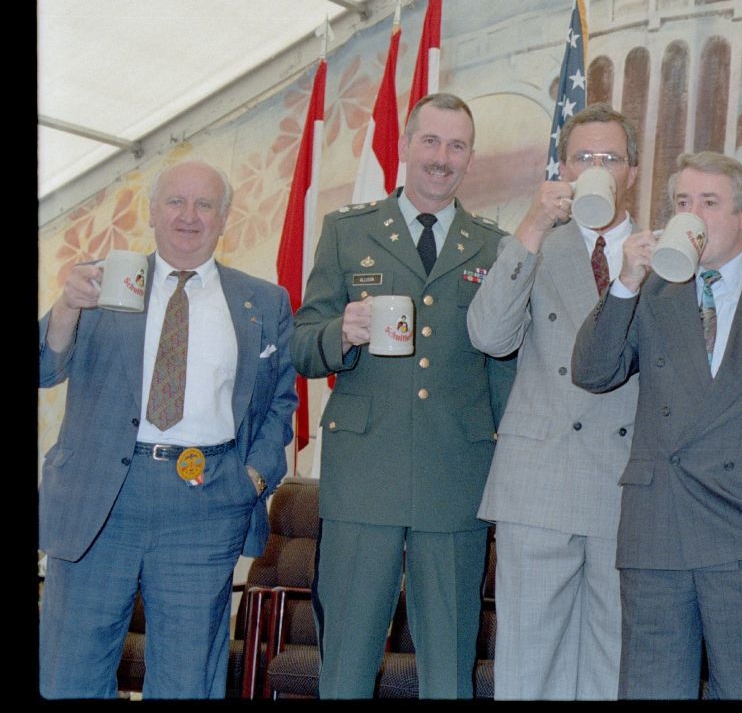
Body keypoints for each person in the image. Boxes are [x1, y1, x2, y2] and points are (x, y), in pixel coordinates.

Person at [571, 151, 742, 699]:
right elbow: (594, 373)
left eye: (709, 202)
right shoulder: (648, 291)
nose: (691, 214)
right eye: (682, 203)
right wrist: (624, 280)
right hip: (658, 532)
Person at [38, 160, 298, 698]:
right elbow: (44, 367)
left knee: (186, 681)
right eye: (175, 202)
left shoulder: (263, 301)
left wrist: (252, 478)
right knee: (70, 672)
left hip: (205, 506)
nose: (189, 216)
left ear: (225, 217)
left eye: (205, 204)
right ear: (152, 212)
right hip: (98, 501)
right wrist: (65, 307)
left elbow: (280, 402)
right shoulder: (102, 281)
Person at [291, 92, 516, 698]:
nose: (442, 158)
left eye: (457, 145)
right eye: (431, 141)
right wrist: (341, 333)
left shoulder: (495, 247)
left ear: (470, 158)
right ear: (407, 146)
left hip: (457, 472)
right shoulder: (347, 232)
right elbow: (302, 344)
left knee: (449, 663)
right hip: (365, 471)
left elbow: (505, 372)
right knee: (346, 660)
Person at [466, 104, 643, 700]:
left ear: (633, 173)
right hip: (539, 483)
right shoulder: (533, 243)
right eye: (583, 158)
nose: (596, 169)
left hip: (626, 488)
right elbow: (489, 335)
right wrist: (533, 226)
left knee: (611, 669)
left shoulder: (662, 256)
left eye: (610, 159)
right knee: (527, 669)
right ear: (562, 169)